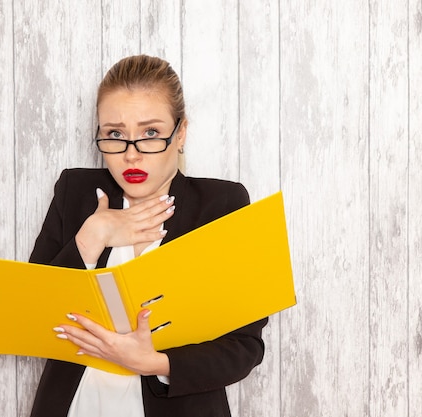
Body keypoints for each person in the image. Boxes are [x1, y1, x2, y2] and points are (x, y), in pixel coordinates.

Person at [28, 55, 268, 417]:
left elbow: (245, 346)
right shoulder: (74, 192)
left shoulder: (222, 205)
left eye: (151, 133)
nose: (131, 154)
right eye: (115, 134)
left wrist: (156, 362)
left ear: (181, 133)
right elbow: (31, 318)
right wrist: (92, 235)